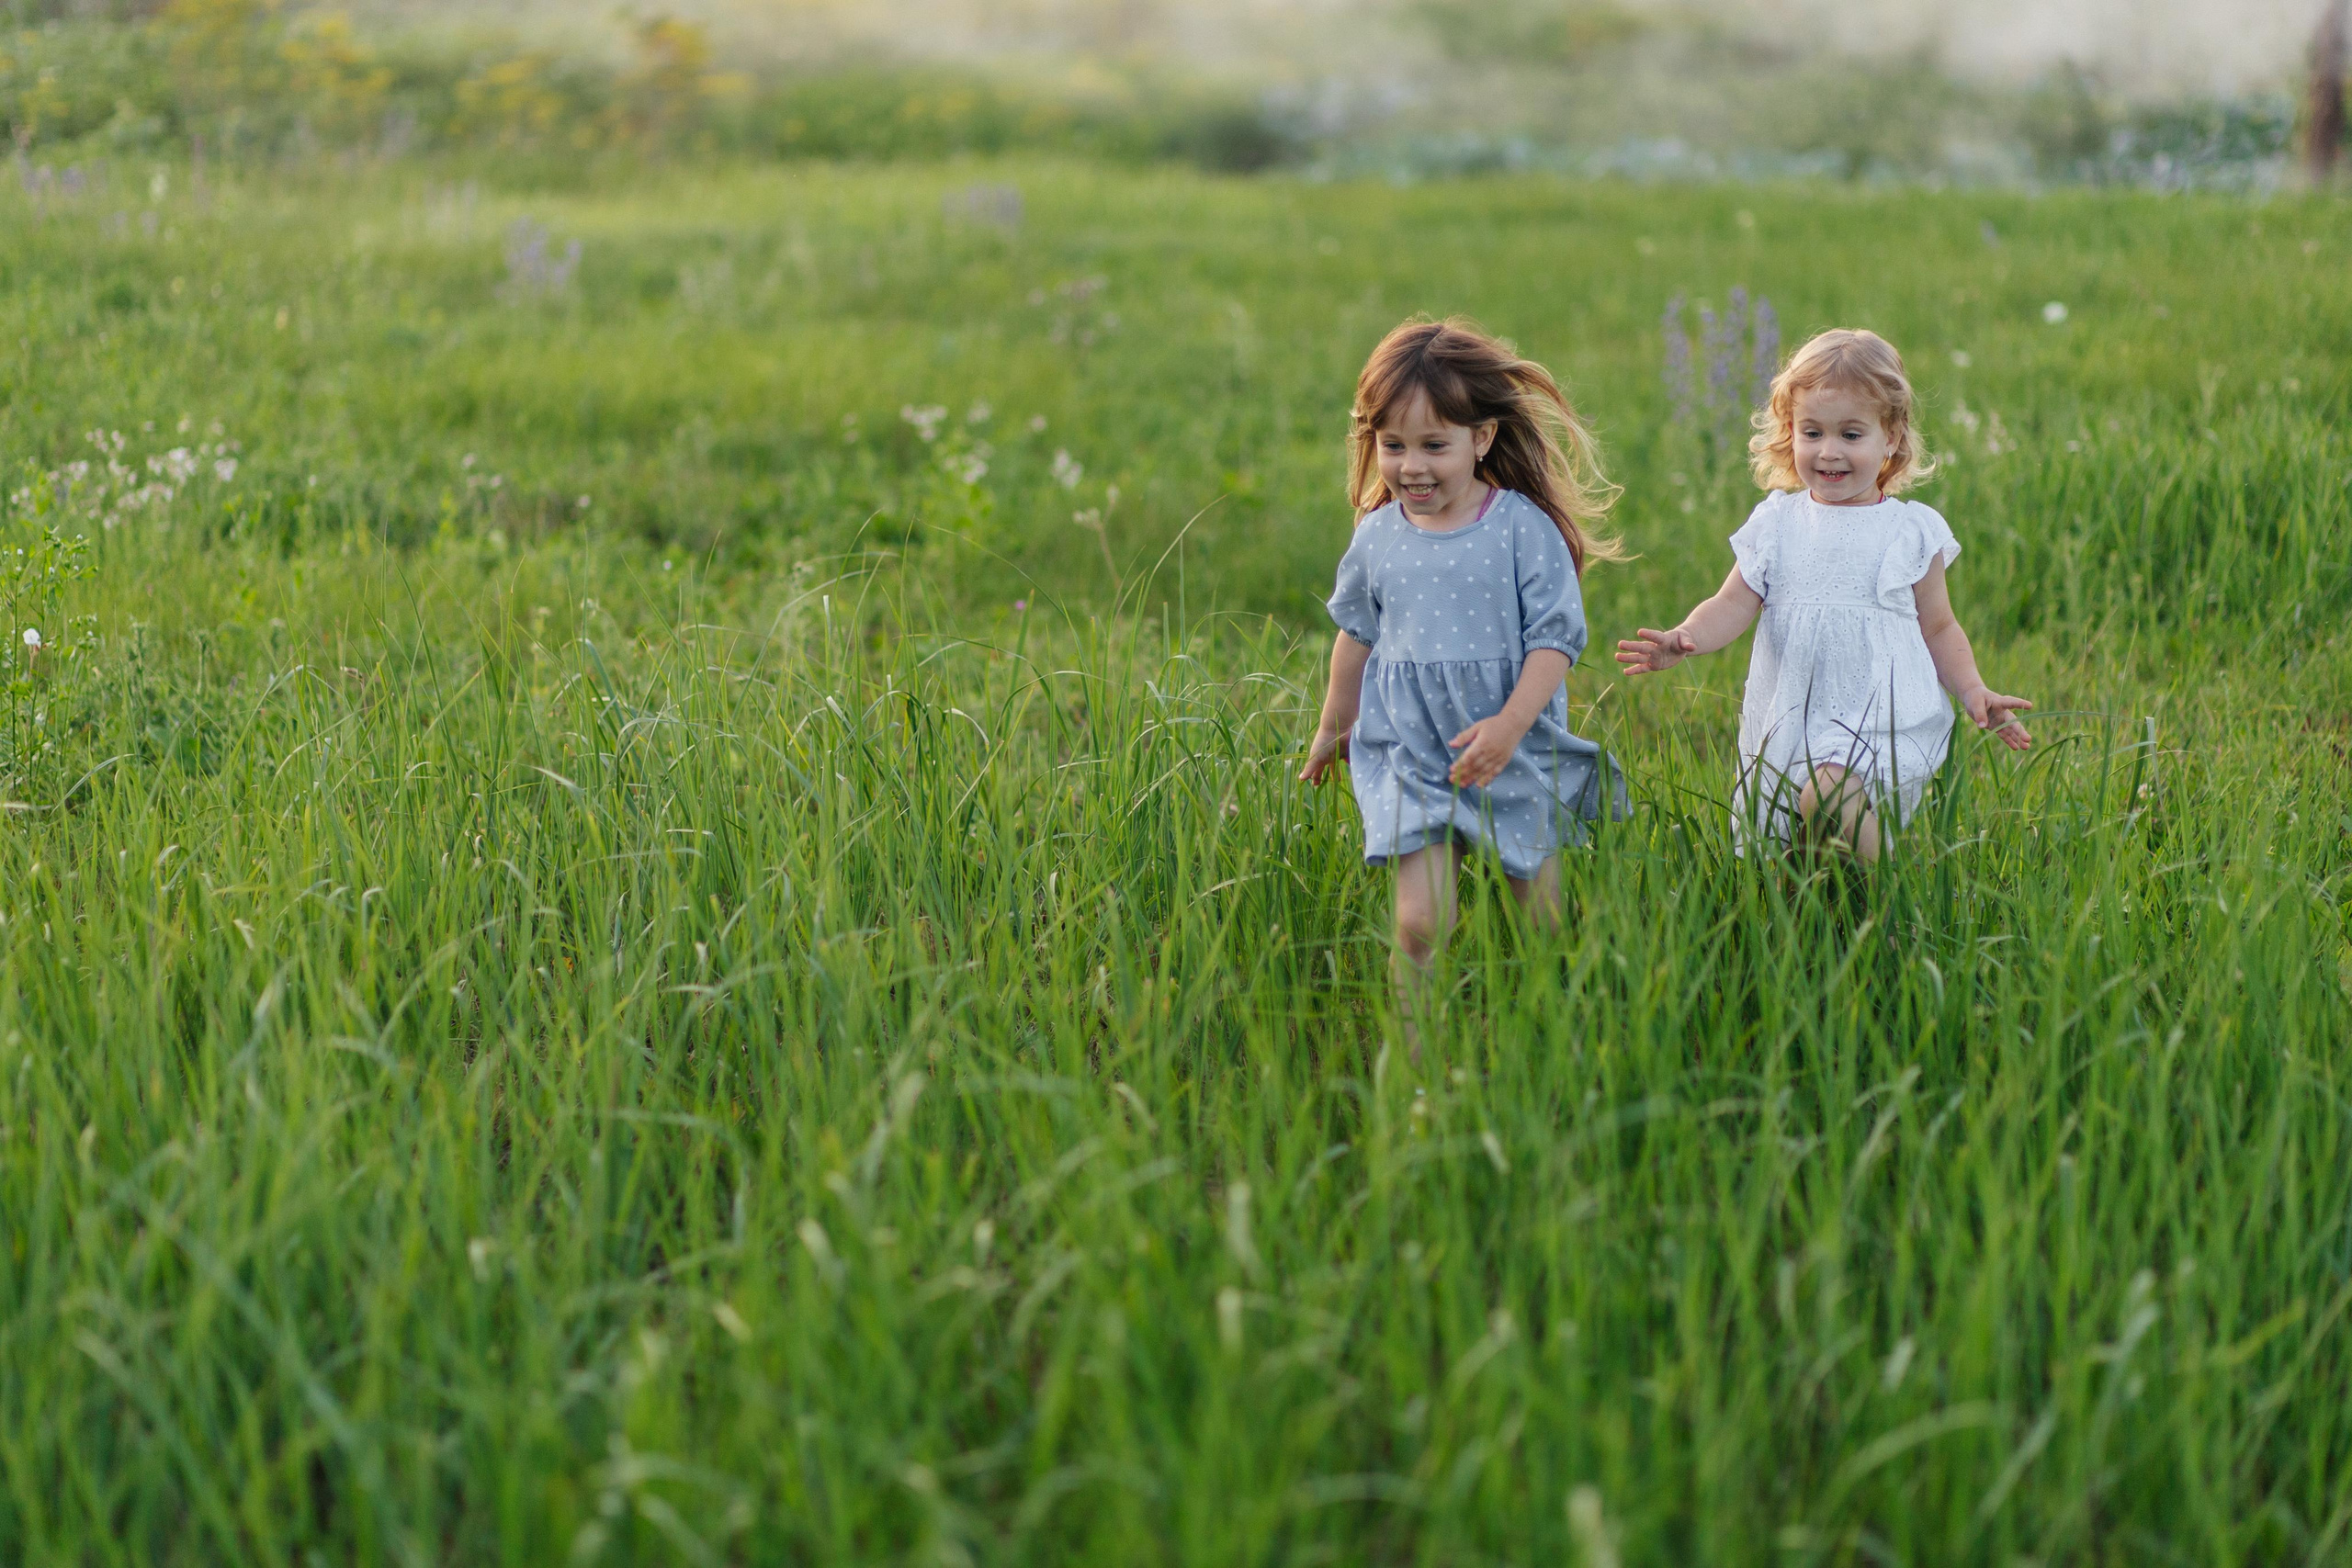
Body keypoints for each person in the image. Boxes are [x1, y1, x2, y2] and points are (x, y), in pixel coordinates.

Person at [1615, 328, 2032, 861]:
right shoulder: (1777, 523)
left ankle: (1889, 907)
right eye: (1812, 432)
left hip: (1881, 714)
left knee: (1830, 793)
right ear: (1789, 432)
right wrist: (1686, 636)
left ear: (1892, 437)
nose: (1828, 451)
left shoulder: (1911, 531)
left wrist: (1974, 692)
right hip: (1794, 712)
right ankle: (1818, 912)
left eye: (1851, 435)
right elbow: (1733, 603)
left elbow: (1939, 627)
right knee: (1802, 838)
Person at [1300, 317, 1624, 996]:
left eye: (1433, 446)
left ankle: (1550, 1038)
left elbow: (1555, 641)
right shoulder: (1379, 536)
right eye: (1393, 445)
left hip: (1515, 744)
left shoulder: (1519, 528)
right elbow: (1356, 633)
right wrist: (1334, 726)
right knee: (1420, 924)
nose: (1411, 467)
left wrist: (1508, 728)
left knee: (1544, 921)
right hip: (1412, 750)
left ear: (1482, 438)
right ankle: (1416, 1062)